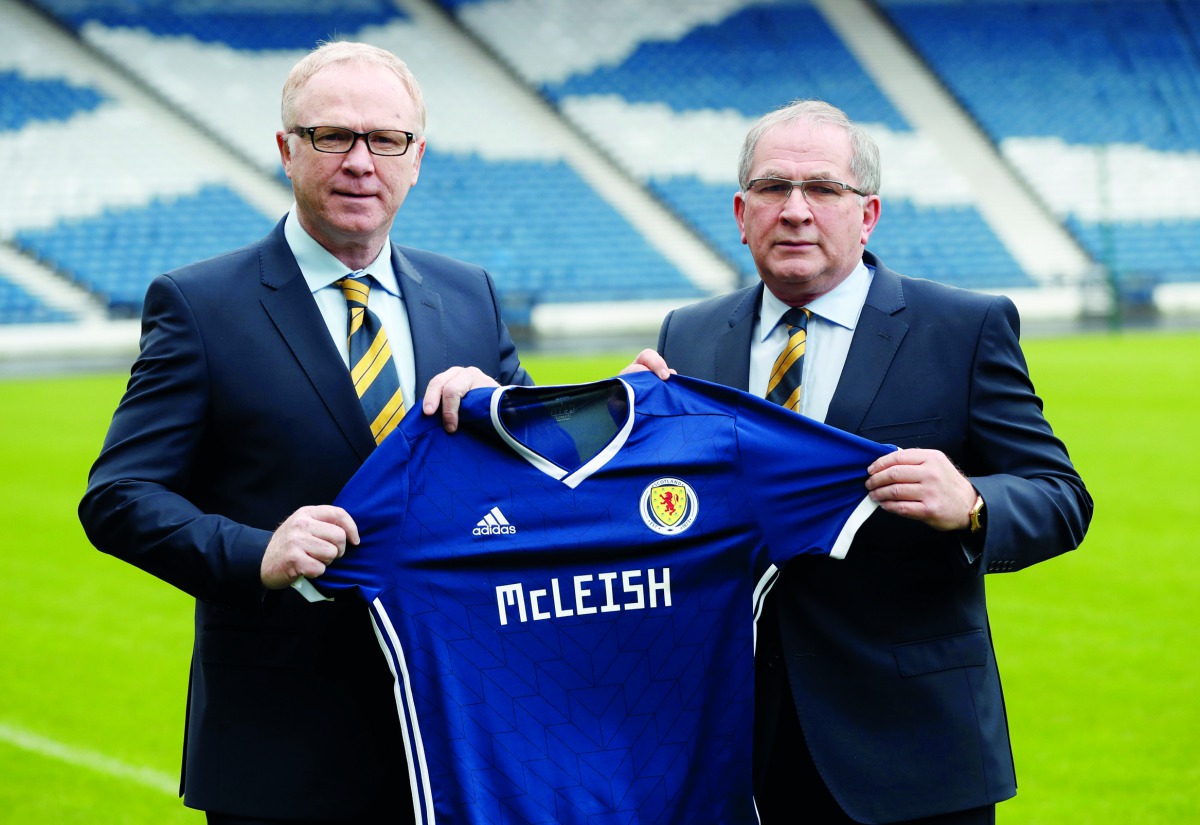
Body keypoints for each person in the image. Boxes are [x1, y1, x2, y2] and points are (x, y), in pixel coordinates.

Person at [79, 41, 530, 824]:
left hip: (459, 739)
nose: (362, 161)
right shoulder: (200, 305)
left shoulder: (471, 297)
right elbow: (118, 497)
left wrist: (532, 410)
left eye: (386, 139)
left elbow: (546, 470)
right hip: (282, 752)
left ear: (416, 158)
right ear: (286, 149)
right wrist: (258, 552)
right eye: (333, 137)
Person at [627, 100, 1092, 824]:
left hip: (912, 753)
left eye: (823, 188)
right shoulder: (686, 338)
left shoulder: (962, 327)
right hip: (735, 748)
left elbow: (1061, 496)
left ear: (868, 213)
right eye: (774, 188)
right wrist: (637, 434)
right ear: (741, 212)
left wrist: (971, 502)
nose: (796, 210)